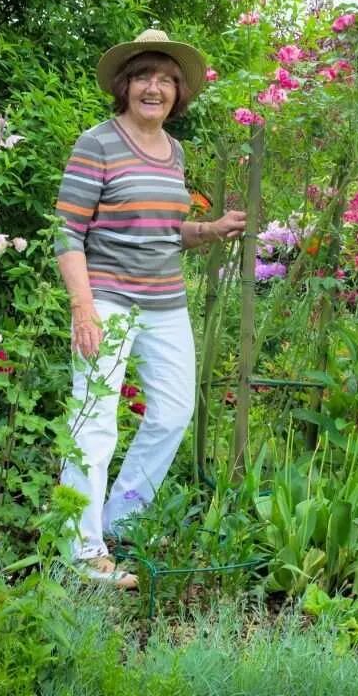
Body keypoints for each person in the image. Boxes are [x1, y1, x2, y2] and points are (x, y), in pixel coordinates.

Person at [54, 29, 247, 585]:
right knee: (93, 421)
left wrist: (207, 230)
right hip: (107, 301)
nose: (154, 87)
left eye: (165, 79)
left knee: (171, 413)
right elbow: (67, 231)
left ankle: (123, 521)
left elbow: (161, 230)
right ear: (125, 85)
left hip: (165, 302)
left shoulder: (175, 150)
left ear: (178, 92)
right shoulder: (98, 143)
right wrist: (83, 308)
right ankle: (82, 550)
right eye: (144, 76)